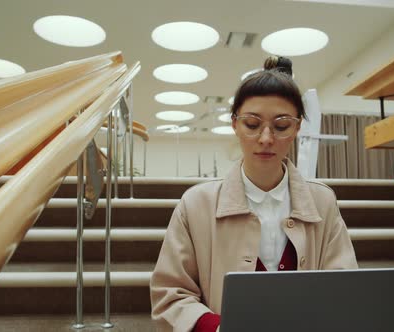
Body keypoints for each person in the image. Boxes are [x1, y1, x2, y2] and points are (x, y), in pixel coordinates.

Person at [150, 56, 358, 332]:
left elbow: (344, 287)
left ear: (297, 128)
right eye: (252, 124)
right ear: (234, 124)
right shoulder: (196, 204)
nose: (266, 138)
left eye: (281, 126)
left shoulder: (322, 202)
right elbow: (170, 294)